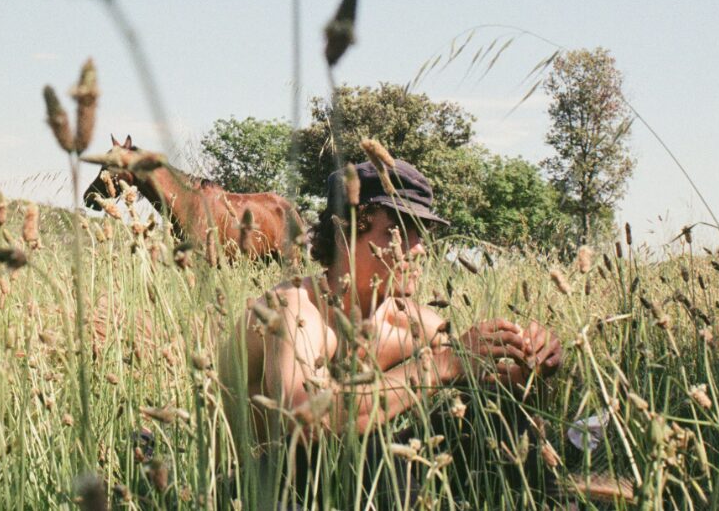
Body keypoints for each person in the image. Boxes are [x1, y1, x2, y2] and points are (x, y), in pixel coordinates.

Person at [225, 158, 564, 506]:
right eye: (398, 231)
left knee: (498, 417)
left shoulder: (417, 324)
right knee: (367, 448)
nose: (417, 250)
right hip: (267, 488)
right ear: (346, 232)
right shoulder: (293, 309)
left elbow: (490, 387)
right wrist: (442, 365)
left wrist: (533, 365)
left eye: (422, 233)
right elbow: (308, 420)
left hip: (363, 483)